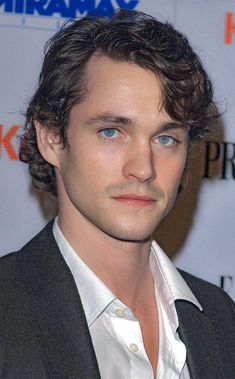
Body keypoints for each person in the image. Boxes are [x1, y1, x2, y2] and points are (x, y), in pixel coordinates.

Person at [0, 9, 234, 379]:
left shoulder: (221, 318)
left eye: (165, 138)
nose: (143, 167)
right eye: (111, 131)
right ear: (52, 139)